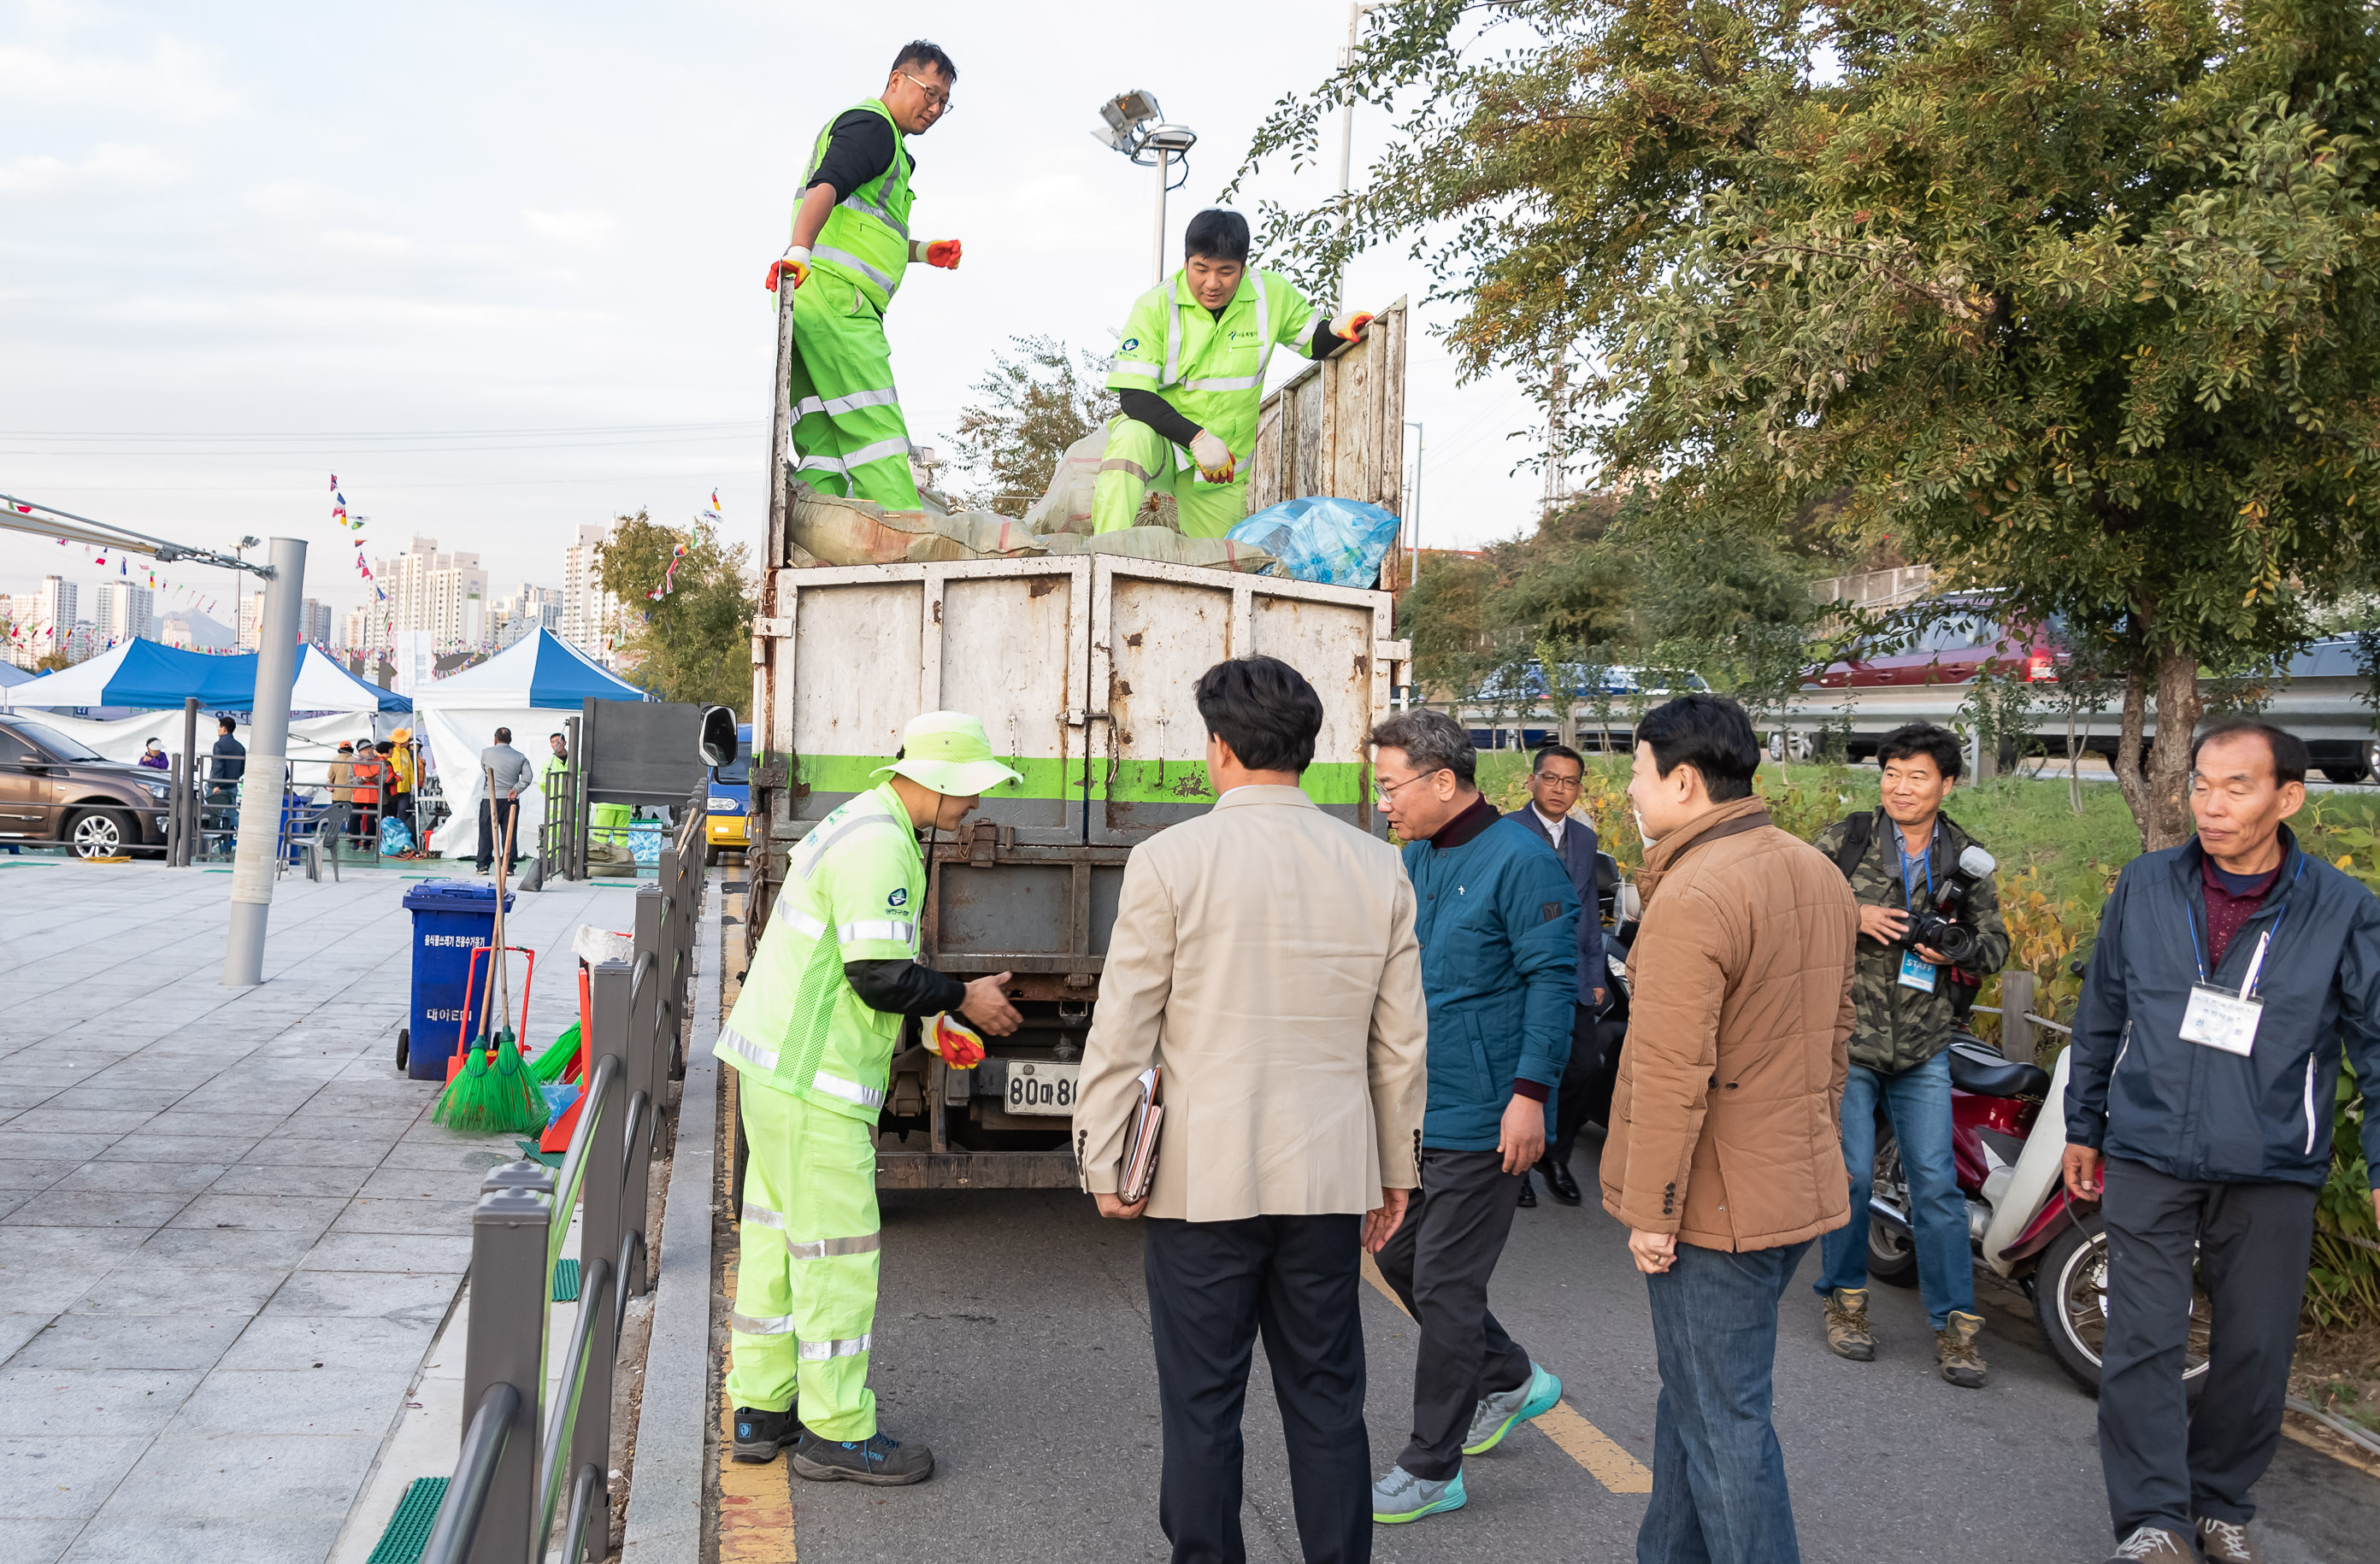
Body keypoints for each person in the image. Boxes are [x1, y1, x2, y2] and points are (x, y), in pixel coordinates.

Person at [1075, 656, 1428, 1564]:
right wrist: (1396, 1171)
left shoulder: (1168, 862)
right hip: (1326, 1179)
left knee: (1201, 1406)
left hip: (1202, 1181)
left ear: (1219, 750)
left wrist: (1104, 1161)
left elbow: (1122, 1031)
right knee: (1326, 1402)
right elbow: (1397, 1046)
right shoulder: (1378, 867)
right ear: (1306, 752)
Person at [2064, 718, 2380, 1564]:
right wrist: (2083, 1124)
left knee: (2254, 1349)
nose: (2210, 803)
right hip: (2148, 1148)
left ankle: (2220, 1501)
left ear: (2288, 798)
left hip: (2273, 1159)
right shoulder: (2147, 886)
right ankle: (2152, 1521)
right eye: (2200, 783)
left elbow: (2376, 1044)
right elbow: (2101, 1013)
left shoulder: (2344, 910)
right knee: (2143, 1340)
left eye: (2236, 787)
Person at [715, 710, 1026, 1485]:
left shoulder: (855, 823)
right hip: (814, 1085)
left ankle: (761, 1409)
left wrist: (930, 1018)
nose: (977, 805)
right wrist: (961, 999)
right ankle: (837, 1431)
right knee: (835, 1257)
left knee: (775, 1243)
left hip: (779, 1074)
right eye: (973, 789)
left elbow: (864, 968)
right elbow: (877, 974)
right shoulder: (882, 844)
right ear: (940, 777)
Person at [1604, 693, 1858, 1564]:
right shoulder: (1813, 868)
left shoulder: (1695, 891)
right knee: (1698, 1399)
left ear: (1682, 780)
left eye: (1636, 772)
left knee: (1725, 1424)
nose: (1628, 790)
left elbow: (1672, 1073)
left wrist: (1654, 1210)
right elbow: (1836, 1036)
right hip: (1792, 1181)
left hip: (1713, 1208)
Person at [1363, 708, 1577, 1526]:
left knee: (1447, 1285)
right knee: (1402, 1260)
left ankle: (1432, 1465)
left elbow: (1554, 983)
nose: (1383, 802)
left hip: (1491, 1110)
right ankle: (1514, 1378)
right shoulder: (1418, 854)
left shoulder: (1522, 861)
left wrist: (1529, 1095)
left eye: (1391, 787)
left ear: (1443, 781)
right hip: (1424, 1103)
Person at [1807, 722, 2008, 1387]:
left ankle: (1956, 1327)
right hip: (1850, 1037)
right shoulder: (1849, 838)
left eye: (1917, 775)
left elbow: (1995, 947)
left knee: (1939, 1189)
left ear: (1946, 784)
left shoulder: (1968, 858)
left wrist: (1955, 947)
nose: (1901, 787)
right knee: (1853, 1177)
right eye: (1892, 773)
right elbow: (1794, 906)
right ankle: (1846, 1302)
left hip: (1924, 1045)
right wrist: (1852, 914)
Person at [764, 41, 965, 510]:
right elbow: (827, 186)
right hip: (839, 300)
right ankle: (911, 544)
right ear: (897, 80)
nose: (934, 108)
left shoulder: (876, 136)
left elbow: (862, 223)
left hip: (808, 297)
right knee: (878, 432)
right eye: (929, 93)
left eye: (943, 102)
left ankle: (822, 535)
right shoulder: (875, 128)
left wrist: (920, 252)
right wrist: (799, 251)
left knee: (825, 439)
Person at [1097, 209, 1378, 538]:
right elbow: (1134, 397)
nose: (1212, 283)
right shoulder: (1154, 306)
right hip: (1164, 444)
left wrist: (1338, 327)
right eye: (1200, 269)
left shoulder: (1271, 294)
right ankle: (1104, 553)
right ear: (1186, 262)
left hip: (1221, 470)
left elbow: (1314, 342)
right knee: (1131, 437)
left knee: (1219, 572)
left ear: (1244, 269)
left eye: (1226, 272)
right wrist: (1196, 438)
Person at [1505, 743, 1607, 1208]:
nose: (1559, 789)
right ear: (1532, 780)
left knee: (1583, 1067)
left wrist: (1594, 974)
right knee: (1523, 1071)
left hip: (1571, 976)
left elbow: (1587, 913)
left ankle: (1554, 1154)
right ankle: (1517, 1166)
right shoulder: (1506, 831)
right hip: (1519, 975)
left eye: (1569, 782)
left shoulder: (1585, 839)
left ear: (1578, 789)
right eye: (1551, 778)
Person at [478, 726, 532, 874]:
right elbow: (528, 777)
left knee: (486, 832)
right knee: (509, 833)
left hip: (490, 799)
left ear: (495, 739)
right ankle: (508, 866)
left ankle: (483, 866)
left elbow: (485, 771)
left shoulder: (486, 753)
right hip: (510, 800)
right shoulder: (520, 757)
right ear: (511, 740)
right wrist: (516, 789)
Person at [208, 716, 244, 845]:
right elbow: (242, 768)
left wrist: (215, 784)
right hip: (232, 784)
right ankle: (244, 832)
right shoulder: (240, 747)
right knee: (233, 813)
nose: (218, 729)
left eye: (219, 727)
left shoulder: (219, 745)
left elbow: (218, 766)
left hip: (218, 785)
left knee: (211, 811)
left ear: (224, 729)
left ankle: (210, 840)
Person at [385, 733, 417, 852]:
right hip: (392, 789)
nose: (408, 742)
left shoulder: (405, 752)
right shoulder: (390, 753)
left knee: (403, 812)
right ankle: (391, 838)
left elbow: (410, 770)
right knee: (391, 814)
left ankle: (402, 838)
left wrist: (412, 783)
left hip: (404, 789)